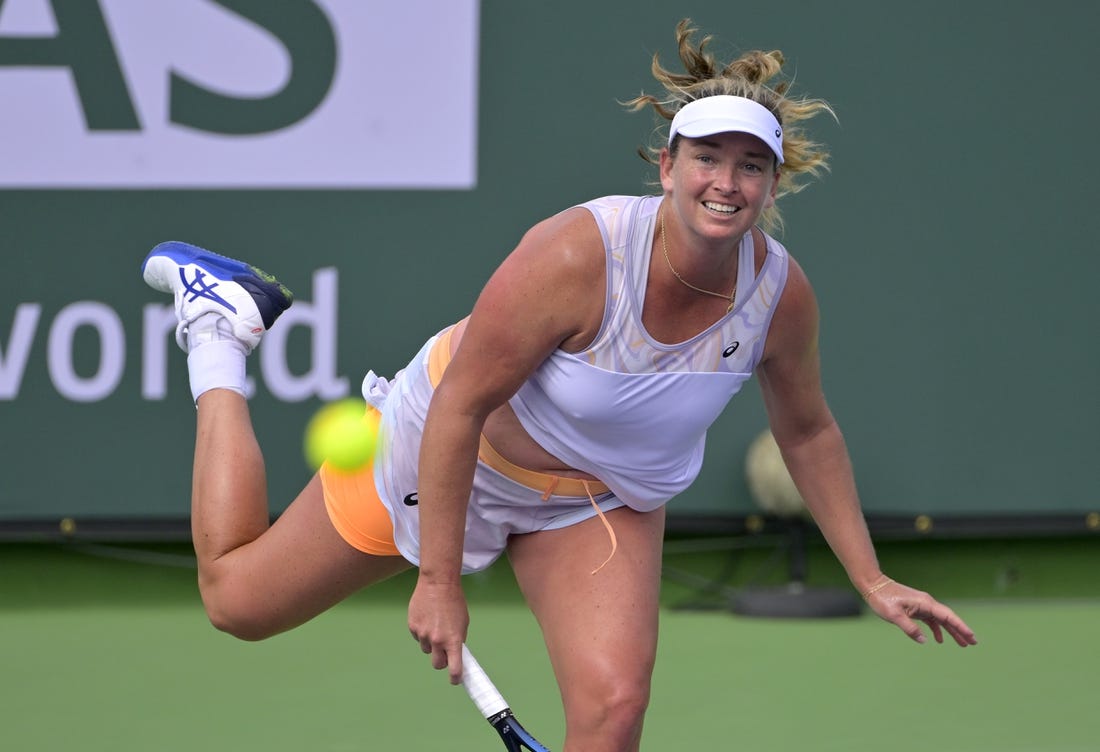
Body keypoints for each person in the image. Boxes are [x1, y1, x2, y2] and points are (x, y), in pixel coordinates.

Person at [141, 20, 977, 752]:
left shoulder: (778, 296)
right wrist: (437, 580)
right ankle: (219, 330)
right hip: (446, 454)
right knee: (237, 602)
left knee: (613, 715)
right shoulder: (578, 255)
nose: (727, 182)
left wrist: (871, 577)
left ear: (772, 183)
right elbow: (462, 403)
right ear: (667, 165)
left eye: (751, 166)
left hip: (597, 502)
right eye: (709, 159)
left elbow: (808, 432)